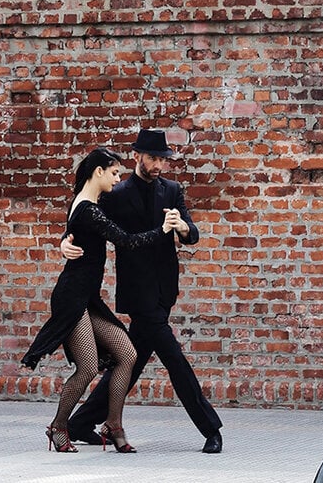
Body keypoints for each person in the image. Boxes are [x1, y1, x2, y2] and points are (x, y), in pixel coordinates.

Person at [63, 128, 224, 454]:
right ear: (137, 156)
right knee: (175, 359)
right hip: (139, 293)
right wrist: (65, 241)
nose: (158, 166)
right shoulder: (116, 193)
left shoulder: (172, 190)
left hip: (165, 291)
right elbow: (85, 217)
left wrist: (184, 228)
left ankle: (80, 423)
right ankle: (211, 428)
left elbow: (192, 234)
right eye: (152, 159)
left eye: (162, 160)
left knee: (129, 362)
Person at [22, 147, 180, 454]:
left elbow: (71, 232)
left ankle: (113, 424)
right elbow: (127, 241)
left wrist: (63, 241)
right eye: (114, 173)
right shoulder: (89, 210)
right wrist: (162, 231)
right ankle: (58, 427)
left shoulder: (88, 202)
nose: (118, 178)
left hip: (87, 297)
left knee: (126, 353)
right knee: (87, 367)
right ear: (99, 172)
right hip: (72, 298)